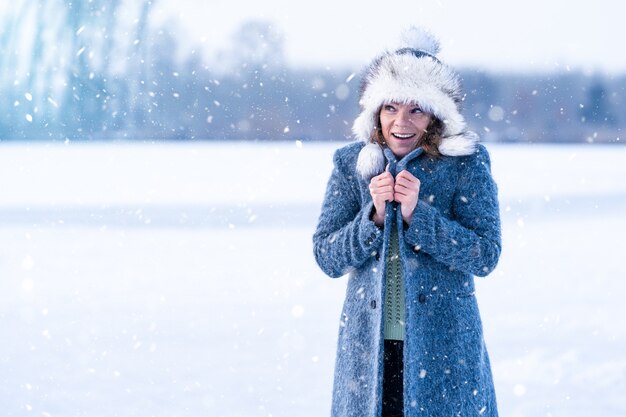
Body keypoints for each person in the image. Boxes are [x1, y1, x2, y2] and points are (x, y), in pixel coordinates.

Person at [312, 26, 502, 417]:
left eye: (416, 108)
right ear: (375, 111)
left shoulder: (465, 163)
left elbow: (485, 255)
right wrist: (374, 218)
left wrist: (421, 217)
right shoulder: (351, 165)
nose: (402, 121)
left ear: (435, 116)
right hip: (368, 351)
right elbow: (327, 256)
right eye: (391, 107)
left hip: (444, 348)